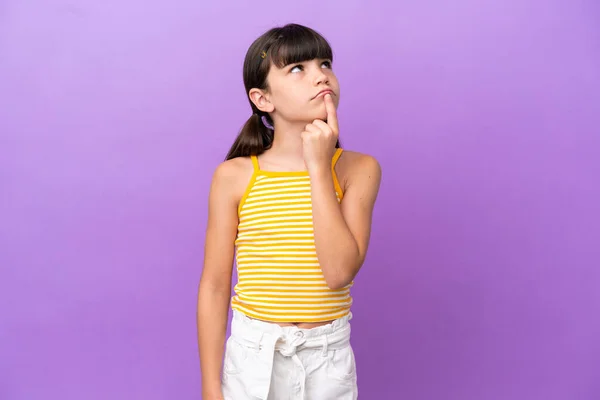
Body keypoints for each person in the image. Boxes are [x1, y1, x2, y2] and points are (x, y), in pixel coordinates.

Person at [197, 23, 381, 400]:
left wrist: (318, 166)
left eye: (325, 63)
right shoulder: (234, 176)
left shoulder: (358, 169)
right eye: (298, 68)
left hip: (327, 361)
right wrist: (211, 388)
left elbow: (338, 272)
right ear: (263, 99)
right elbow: (215, 287)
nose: (320, 76)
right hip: (253, 359)